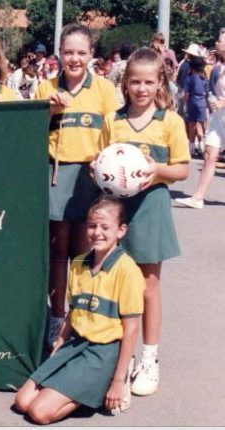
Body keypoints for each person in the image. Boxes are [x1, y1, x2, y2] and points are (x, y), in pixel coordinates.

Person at [100, 47, 189, 396]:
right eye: (135, 82)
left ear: (160, 82)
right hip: (116, 209)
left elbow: (182, 170)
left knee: (148, 287)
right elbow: (101, 162)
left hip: (151, 207)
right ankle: (115, 356)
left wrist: (157, 169)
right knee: (115, 283)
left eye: (149, 82)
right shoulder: (114, 120)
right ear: (126, 82)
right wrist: (101, 171)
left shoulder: (170, 122)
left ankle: (149, 358)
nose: (141, 89)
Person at [14, 195, 144, 424]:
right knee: (22, 401)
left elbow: (131, 329)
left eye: (105, 227)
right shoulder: (79, 264)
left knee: (39, 412)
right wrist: (59, 346)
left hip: (102, 352)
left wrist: (117, 380)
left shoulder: (127, 270)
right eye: (92, 226)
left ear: (121, 230)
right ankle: (79, 386)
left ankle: (102, 386)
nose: (97, 233)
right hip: (75, 344)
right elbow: (73, 313)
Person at [34, 23, 118, 348]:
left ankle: (80, 317)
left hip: (90, 177)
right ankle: (57, 317)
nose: (74, 58)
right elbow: (31, 133)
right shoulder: (46, 87)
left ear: (91, 54)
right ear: (59, 53)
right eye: (68, 52)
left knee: (85, 252)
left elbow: (114, 135)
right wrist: (48, 112)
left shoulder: (104, 89)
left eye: (81, 52)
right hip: (55, 174)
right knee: (58, 252)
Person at [176, 31, 225, 209]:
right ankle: (197, 197)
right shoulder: (217, 68)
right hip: (218, 118)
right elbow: (210, 90)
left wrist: (223, 102)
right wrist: (212, 100)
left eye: (220, 41)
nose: (217, 43)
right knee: (209, 154)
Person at [183, 56, 209, 156]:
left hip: (192, 103)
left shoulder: (189, 78)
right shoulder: (204, 78)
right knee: (202, 125)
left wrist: (185, 105)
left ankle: (192, 147)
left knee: (192, 125)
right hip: (202, 103)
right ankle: (202, 146)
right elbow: (207, 93)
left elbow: (186, 94)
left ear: (192, 67)